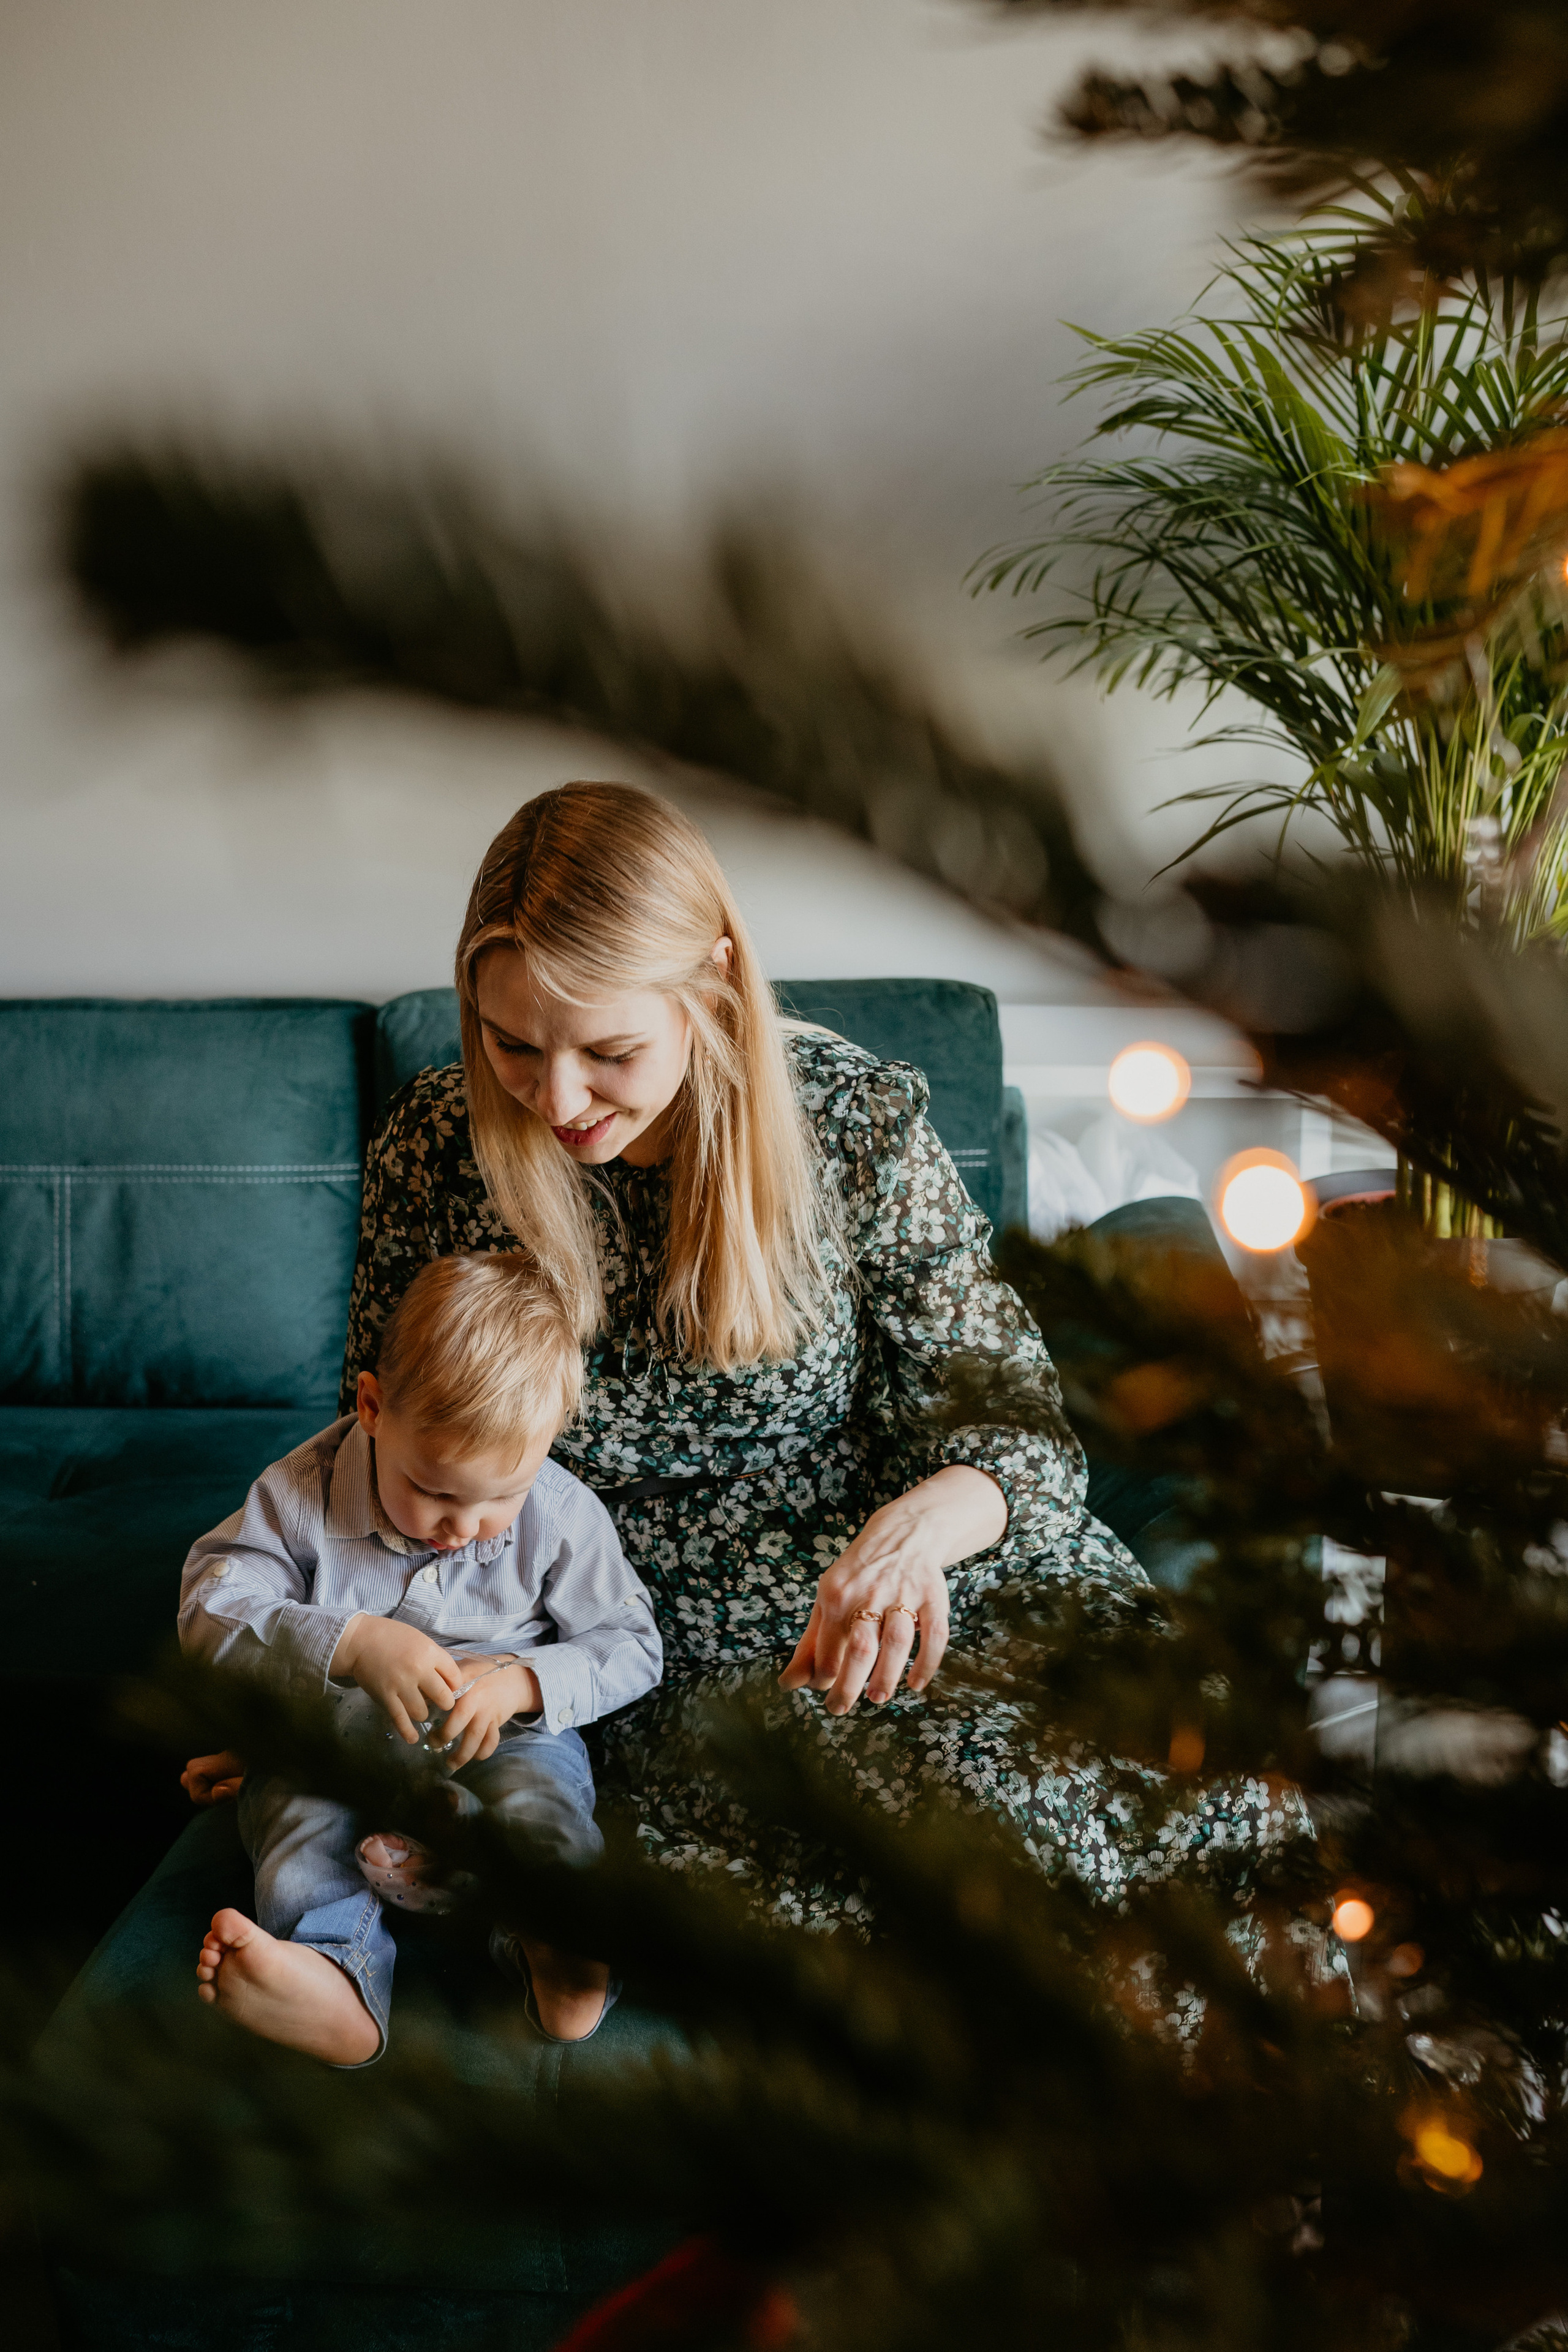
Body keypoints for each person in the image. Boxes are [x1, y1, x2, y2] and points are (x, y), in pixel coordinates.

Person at [338, 781, 1301, 1929]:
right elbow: (386, 1454)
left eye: (610, 1050)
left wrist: (916, 1535)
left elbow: (1017, 1429)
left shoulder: (852, 1123)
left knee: (1209, 1776)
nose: (557, 1097)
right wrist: (325, 1709)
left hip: (928, 1569)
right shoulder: (439, 1152)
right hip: (649, 1627)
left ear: (713, 984)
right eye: (511, 1044)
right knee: (983, 1843)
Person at [178, 1251, 662, 2063]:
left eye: (499, 1500)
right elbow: (210, 1609)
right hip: (337, 1738)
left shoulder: (561, 1514)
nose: (465, 1526)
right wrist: (351, 1641)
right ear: (372, 1408)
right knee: (299, 1824)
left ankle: (562, 1957)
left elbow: (632, 1644)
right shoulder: (298, 1494)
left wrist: (524, 1684)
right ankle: (335, 1979)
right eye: (435, 1491)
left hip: (506, 1740)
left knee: (543, 1813)